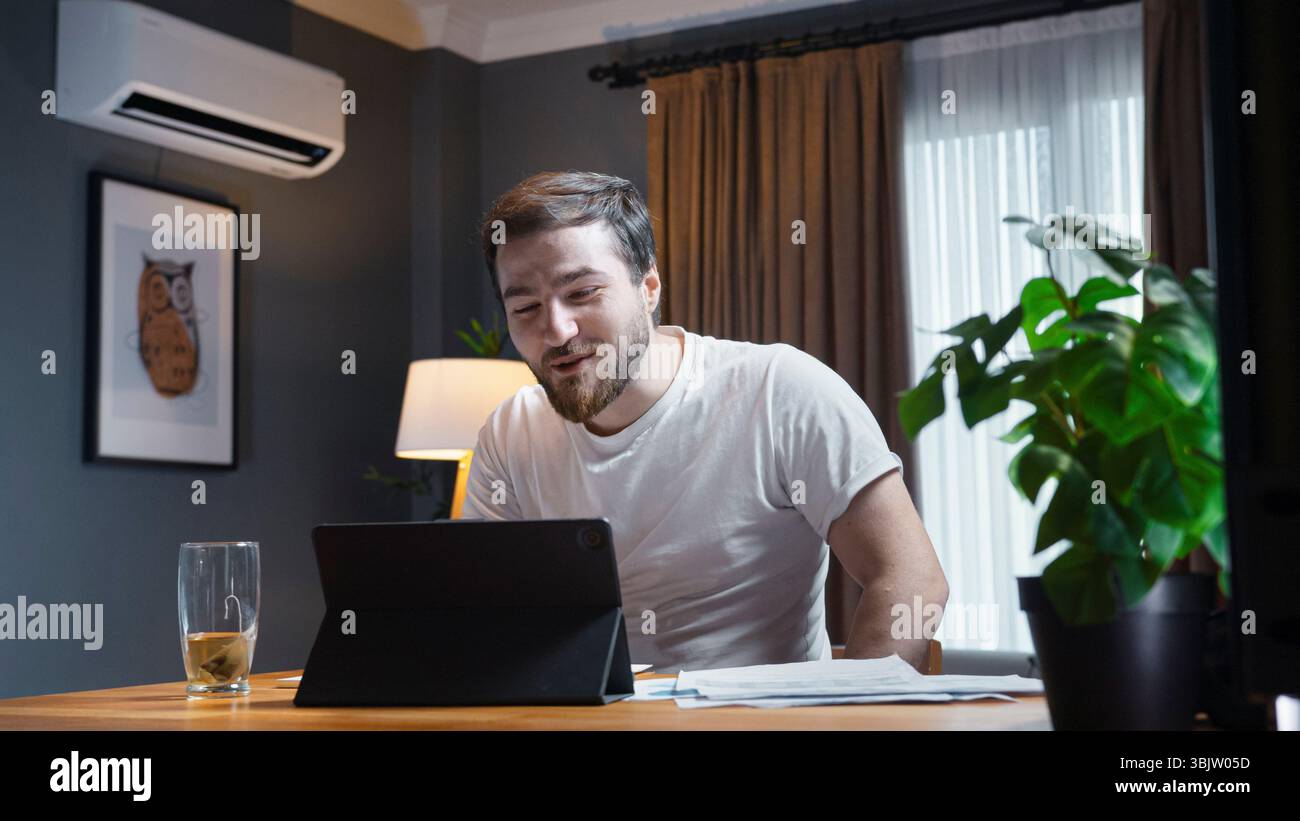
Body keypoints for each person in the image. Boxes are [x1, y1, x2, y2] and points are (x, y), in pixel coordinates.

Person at [463, 170, 947, 674]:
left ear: (648, 287)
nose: (557, 329)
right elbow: (480, 613)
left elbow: (912, 577)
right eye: (525, 307)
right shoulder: (510, 431)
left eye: (583, 293)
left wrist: (856, 717)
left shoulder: (779, 391)